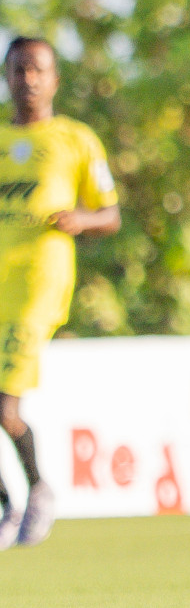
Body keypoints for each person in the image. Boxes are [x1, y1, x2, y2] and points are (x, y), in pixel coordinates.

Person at [0, 36, 120, 547]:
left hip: (37, 286)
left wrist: (81, 219)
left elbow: (110, 214)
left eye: (37, 70)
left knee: (5, 407)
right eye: (18, 69)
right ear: (6, 77)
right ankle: (9, 504)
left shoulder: (76, 139)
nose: (27, 79)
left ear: (54, 80)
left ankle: (38, 489)